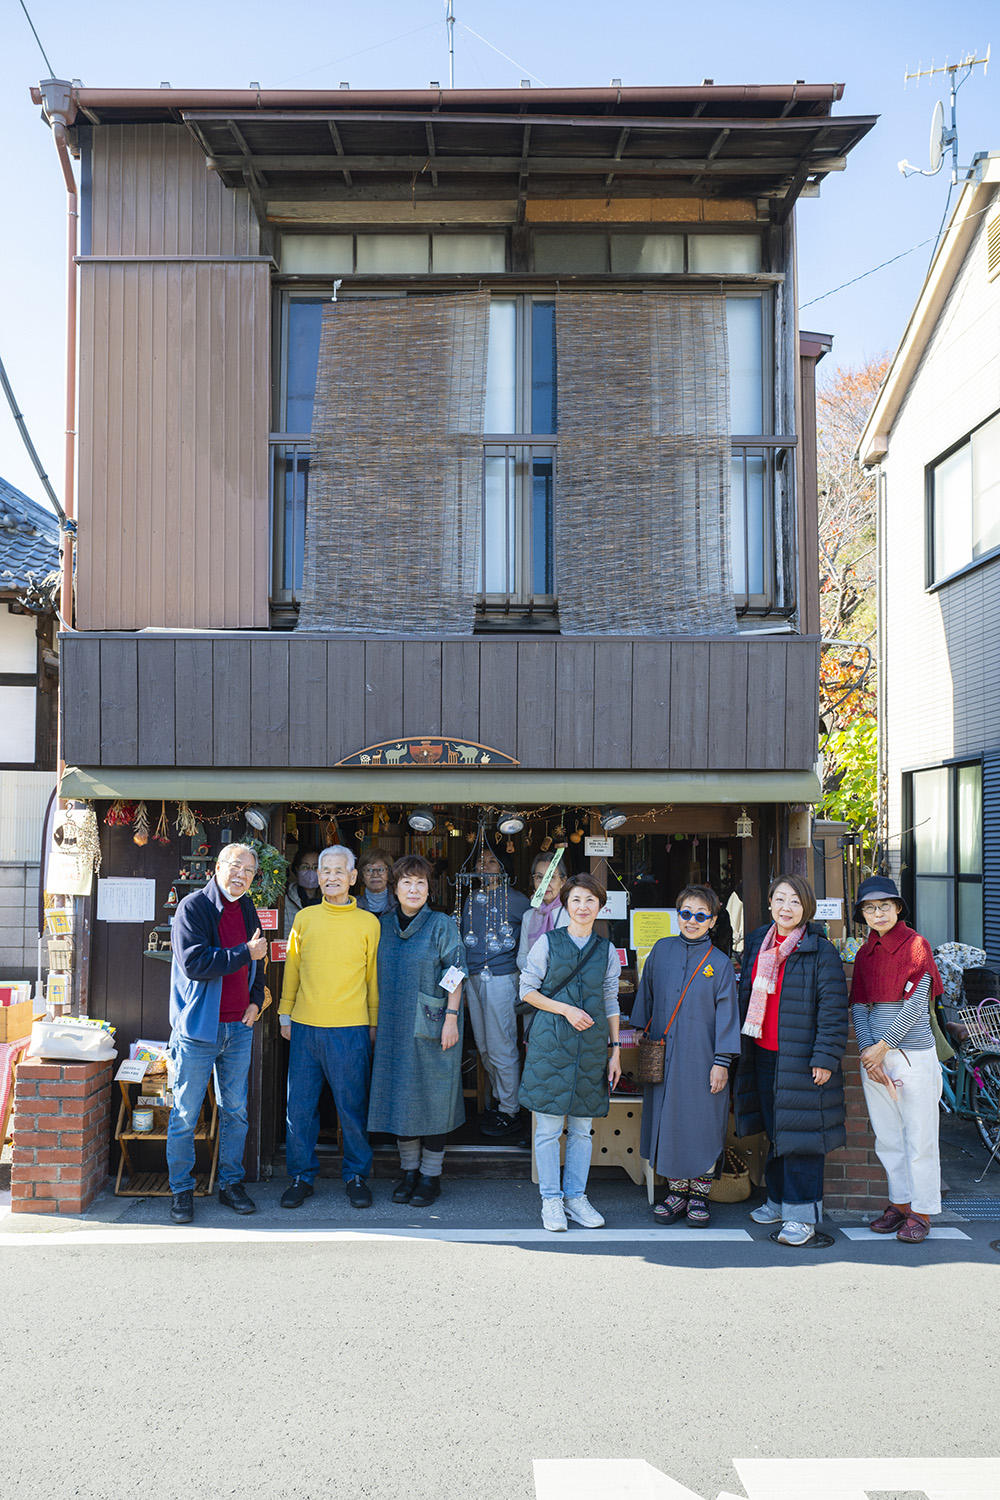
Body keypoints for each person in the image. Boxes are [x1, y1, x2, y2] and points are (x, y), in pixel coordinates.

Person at [734, 874, 847, 1246]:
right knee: (777, 1131)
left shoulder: (820, 950)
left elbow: (833, 1011)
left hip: (802, 1058)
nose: (786, 907)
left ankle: (802, 1217)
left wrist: (825, 1057)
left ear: (807, 908)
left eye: (795, 901)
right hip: (764, 1053)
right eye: (780, 899)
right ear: (769, 904)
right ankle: (779, 1200)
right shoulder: (757, 943)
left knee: (803, 1137)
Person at [166, 843, 267, 1224]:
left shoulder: (246, 907)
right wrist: (245, 952)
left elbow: (262, 959)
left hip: (239, 1027)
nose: (241, 874)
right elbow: (195, 962)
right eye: (235, 866)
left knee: (235, 1110)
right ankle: (181, 1191)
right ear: (218, 867)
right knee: (185, 1113)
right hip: (198, 1029)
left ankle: (230, 1184)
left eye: (249, 870)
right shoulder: (193, 906)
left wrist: (256, 1001)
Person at [630, 884, 741, 1228]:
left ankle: (700, 1195)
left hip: (703, 1057)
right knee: (668, 1122)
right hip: (663, 1054)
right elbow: (645, 999)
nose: (692, 920)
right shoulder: (660, 951)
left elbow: (728, 1016)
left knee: (703, 1123)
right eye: (685, 913)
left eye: (700, 915)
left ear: (712, 921)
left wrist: (722, 1062)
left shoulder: (720, 964)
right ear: (677, 915)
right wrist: (635, 1037)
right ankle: (677, 1192)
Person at [518, 873, 622, 1232]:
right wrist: (565, 1008)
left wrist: (616, 1050)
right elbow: (526, 990)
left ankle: (576, 1197)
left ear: (600, 906)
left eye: (590, 900)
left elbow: (611, 999)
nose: (583, 906)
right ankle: (551, 1200)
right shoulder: (548, 942)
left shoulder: (606, 950)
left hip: (592, 1047)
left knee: (581, 1129)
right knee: (547, 1128)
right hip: (551, 1044)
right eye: (576, 900)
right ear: (566, 904)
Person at [279, 845, 380, 1210]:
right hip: (305, 1025)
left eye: (340, 871)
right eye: (325, 871)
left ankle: (356, 1174)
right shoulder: (305, 918)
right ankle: (301, 1175)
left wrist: (373, 1022)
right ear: (317, 876)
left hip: (351, 1028)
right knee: (300, 1108)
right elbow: (292, 969)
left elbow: (373, 980)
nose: (332, 877)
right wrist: (284, 1013)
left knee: (351, 1107)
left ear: (354, 878)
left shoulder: (369, 923)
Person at [367, 855, 467, 1207]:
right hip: (392, 1023)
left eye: (420, 883)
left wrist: (452, 1018)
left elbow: (455, 972)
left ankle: (430, 1176)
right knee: (400, 1095)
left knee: (434, 1097)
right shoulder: (380, 925)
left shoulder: (441, 924)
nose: (414, 889)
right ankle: (409, 1172)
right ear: (395, 888)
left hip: (436, 1022)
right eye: (407, 882)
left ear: (429, 889)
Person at [850, 875, 945, 1244]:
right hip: (874, 1056)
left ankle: (921, 1212)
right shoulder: (864, 953)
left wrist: (883, 1046)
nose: (878, 913)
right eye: (870, 908)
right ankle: (899, 1204)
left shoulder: (917, 945)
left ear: (898, 908)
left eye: (884, 906)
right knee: (888, 1137)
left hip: (912, 1054)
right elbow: (859, 1004)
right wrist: (868, 1052)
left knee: (920, 1137)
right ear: (863, 914)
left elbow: (916, 1004)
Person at [461, 835, 531, 1139]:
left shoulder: (517, 901)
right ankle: (503, 1101)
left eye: (492, 861)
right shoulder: (469, 898)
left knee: (502, 1046)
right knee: (485, 1047)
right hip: (473, 978)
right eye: (481, 861)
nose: (485, 866)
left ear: (504, 868)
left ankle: (510, 1110)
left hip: (502, 978)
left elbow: (533, 935)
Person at [516, 850, 570, 969]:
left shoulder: (572, 913)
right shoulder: (528, 916)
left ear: (563, 882)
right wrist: (536, 972)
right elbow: (522, 955)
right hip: (535, 983)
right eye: (539, 877)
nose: (545, 884)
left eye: (551, 877)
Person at [283, 847, 322, 936]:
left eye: (315, 867)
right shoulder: (287, 900)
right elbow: (285, 935)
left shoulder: (329, 899)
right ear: (296, 869)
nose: (310, 872)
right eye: (305, 867)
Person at [356, 847, 399, 918]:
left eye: (381, 869)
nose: (375, 875)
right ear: (362, 875)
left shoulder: (400, 905)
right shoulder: (354, 906)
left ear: (389, 873)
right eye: (369, 870)